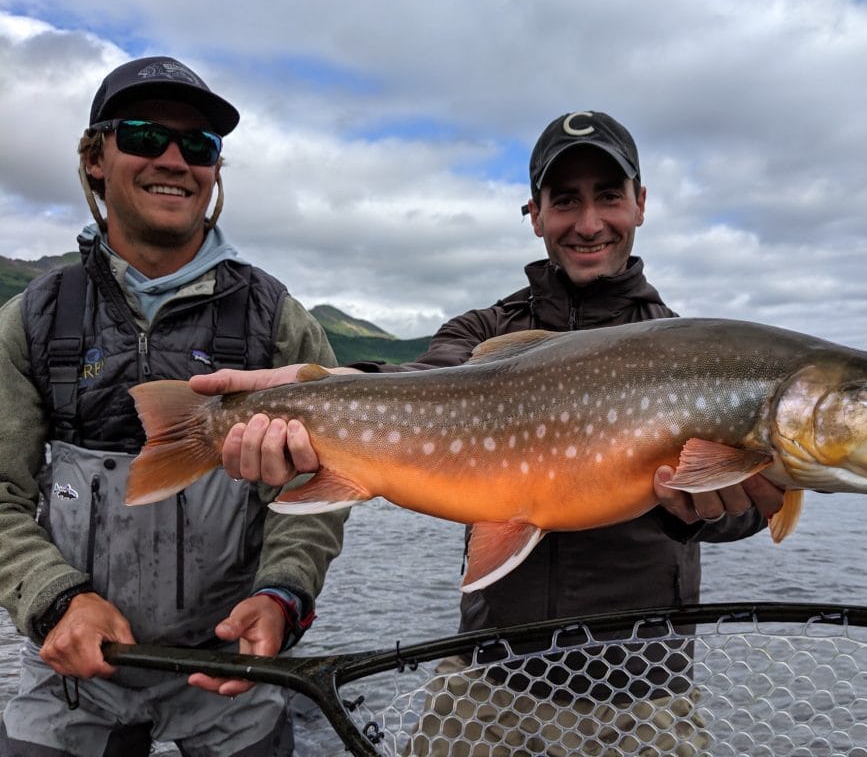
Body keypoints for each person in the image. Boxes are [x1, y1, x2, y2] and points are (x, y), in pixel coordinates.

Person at [191, 111, 784, 753]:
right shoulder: (481, 334)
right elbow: (418, 388)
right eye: (565, 201)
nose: (588, 223)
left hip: (641, 691)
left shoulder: (693, 351)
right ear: (534, 214)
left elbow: (742, 510)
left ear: (640, 204)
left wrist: (703, 510)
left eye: (608, 197)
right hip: (486, 677)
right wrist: (319, 391)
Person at [0, 56, 347, 756]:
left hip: (230, 669)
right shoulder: (31, 320)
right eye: (143, 135)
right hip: (68, 671)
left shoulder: (277, 321)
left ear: (215, 170)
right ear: (96, 158)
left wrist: (283, 594)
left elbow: (319, 490)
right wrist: (55, 598)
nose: (174, 160)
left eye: (198, 146)